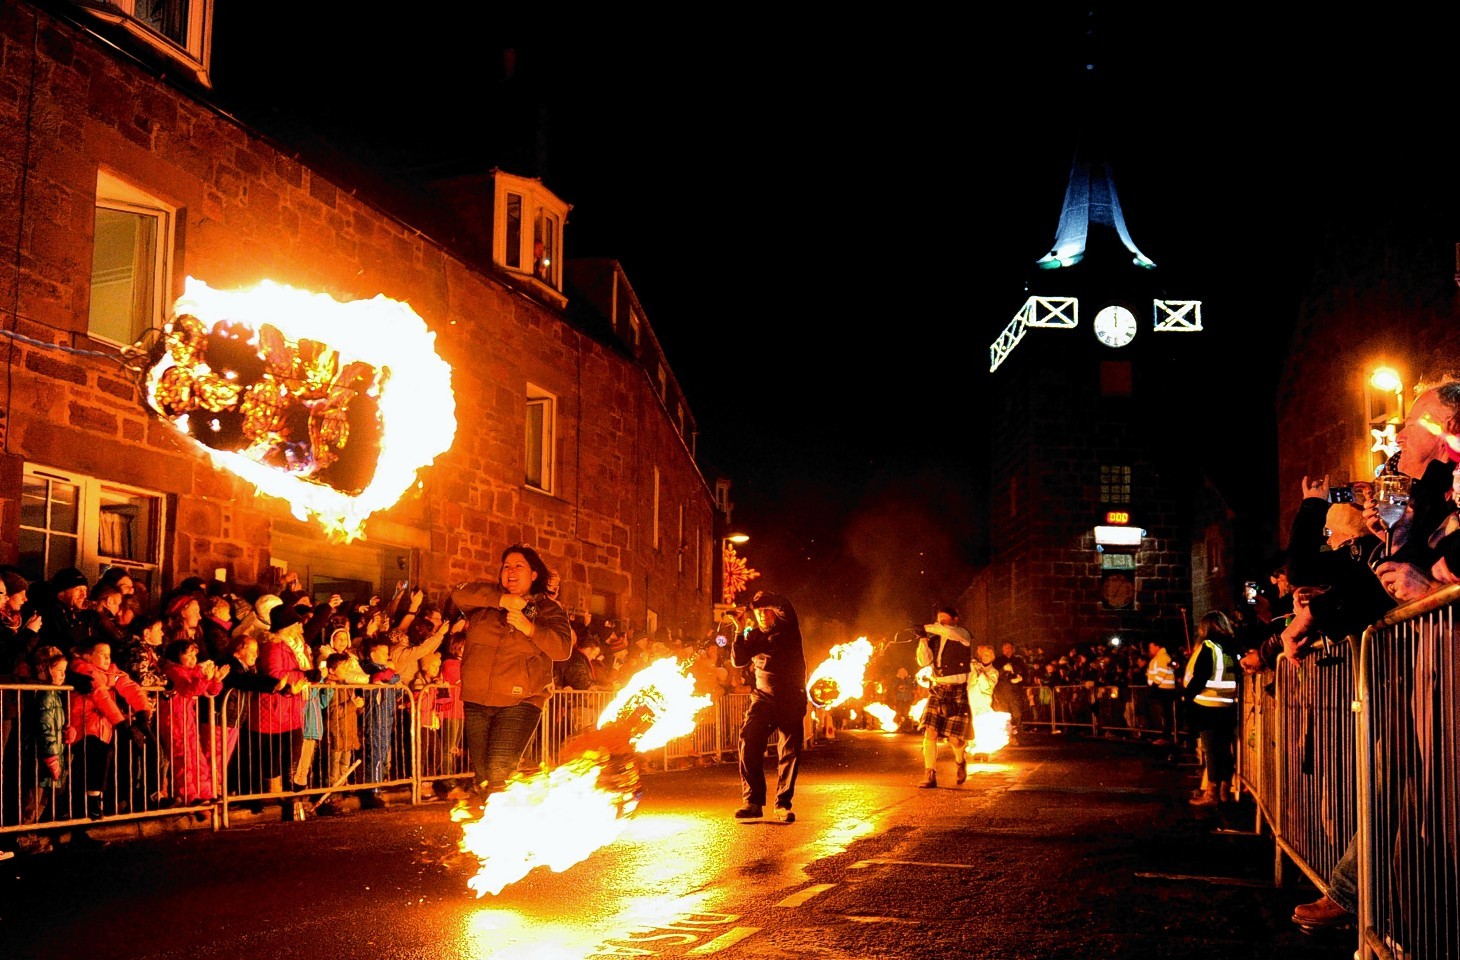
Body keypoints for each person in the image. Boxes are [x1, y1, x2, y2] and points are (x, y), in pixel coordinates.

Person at [451, 544, 573, 804]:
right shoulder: (486, 600)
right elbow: (458, 595)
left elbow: (563, 649)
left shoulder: (549, 610)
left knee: (499, 771)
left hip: (521, 701)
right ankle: (489, 825)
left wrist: (531, 629)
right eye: (506, 566)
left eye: (519, 566)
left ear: (534, 574)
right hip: (477, 701)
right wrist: (501, 600)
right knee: (483, 775)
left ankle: (501, 834)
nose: (511, 571)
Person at [728, 590, 807, 823]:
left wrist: (753, 603)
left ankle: (783, 804)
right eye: (759, 612)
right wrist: (739, 630)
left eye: (766, 611)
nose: (763, 615)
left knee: (789, 751)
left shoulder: (787, 627)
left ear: (775, 612)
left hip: (792, 698)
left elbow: (783, 602)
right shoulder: (754, 636)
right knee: (749, 739)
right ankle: (752, 801)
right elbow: (738, 660)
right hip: (763, 699)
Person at [1182, 611, 1239, 808]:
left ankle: (1211, 792)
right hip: (1228, 705)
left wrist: (1187, 695)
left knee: (1211, 751)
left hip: (1208, 705)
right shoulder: (1231, 646)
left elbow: (1201, 676)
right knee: (1225, 751)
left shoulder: (1208, 646)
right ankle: (1225, 790)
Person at [914, 605, 973, 788]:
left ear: (955, 620)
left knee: (955, 739)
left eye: (945, 620)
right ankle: (930, 773)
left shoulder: (963, 634)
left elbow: (949, 632)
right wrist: (923, 640)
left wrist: (927, 627)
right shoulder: (936, 640)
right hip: (937, 689)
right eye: (939, 620)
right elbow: (923, 661)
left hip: (957, 691)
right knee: (930, 732)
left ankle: (960, 761)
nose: (941, 624)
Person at [990, 640, 1027, 745]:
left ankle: (1016, 735)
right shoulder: (997, 661)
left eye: (1009, 648)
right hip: (1001, 692)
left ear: (1013, 649)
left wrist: (1020, 679)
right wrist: (1003, 669)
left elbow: (1024, 674)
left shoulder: (1018, 661)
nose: (1007, 650)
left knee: (1017, 714)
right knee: (1004, 714)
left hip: (1015, 692)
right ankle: (1007, 737)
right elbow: (994, 674)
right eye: (1005, 648)